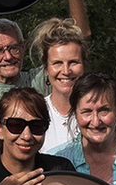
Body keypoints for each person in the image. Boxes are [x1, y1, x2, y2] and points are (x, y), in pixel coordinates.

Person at [60, 71, 116, 185]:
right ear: (75, 114)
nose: (96, 121)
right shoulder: (57, 161)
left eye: (104, 110)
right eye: (87, 112)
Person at [30, 16, 87, 154]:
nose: (66, 71)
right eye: (57, 63)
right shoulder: (34, 114)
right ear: (46, 68)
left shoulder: (104, 114)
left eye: (73, 62)